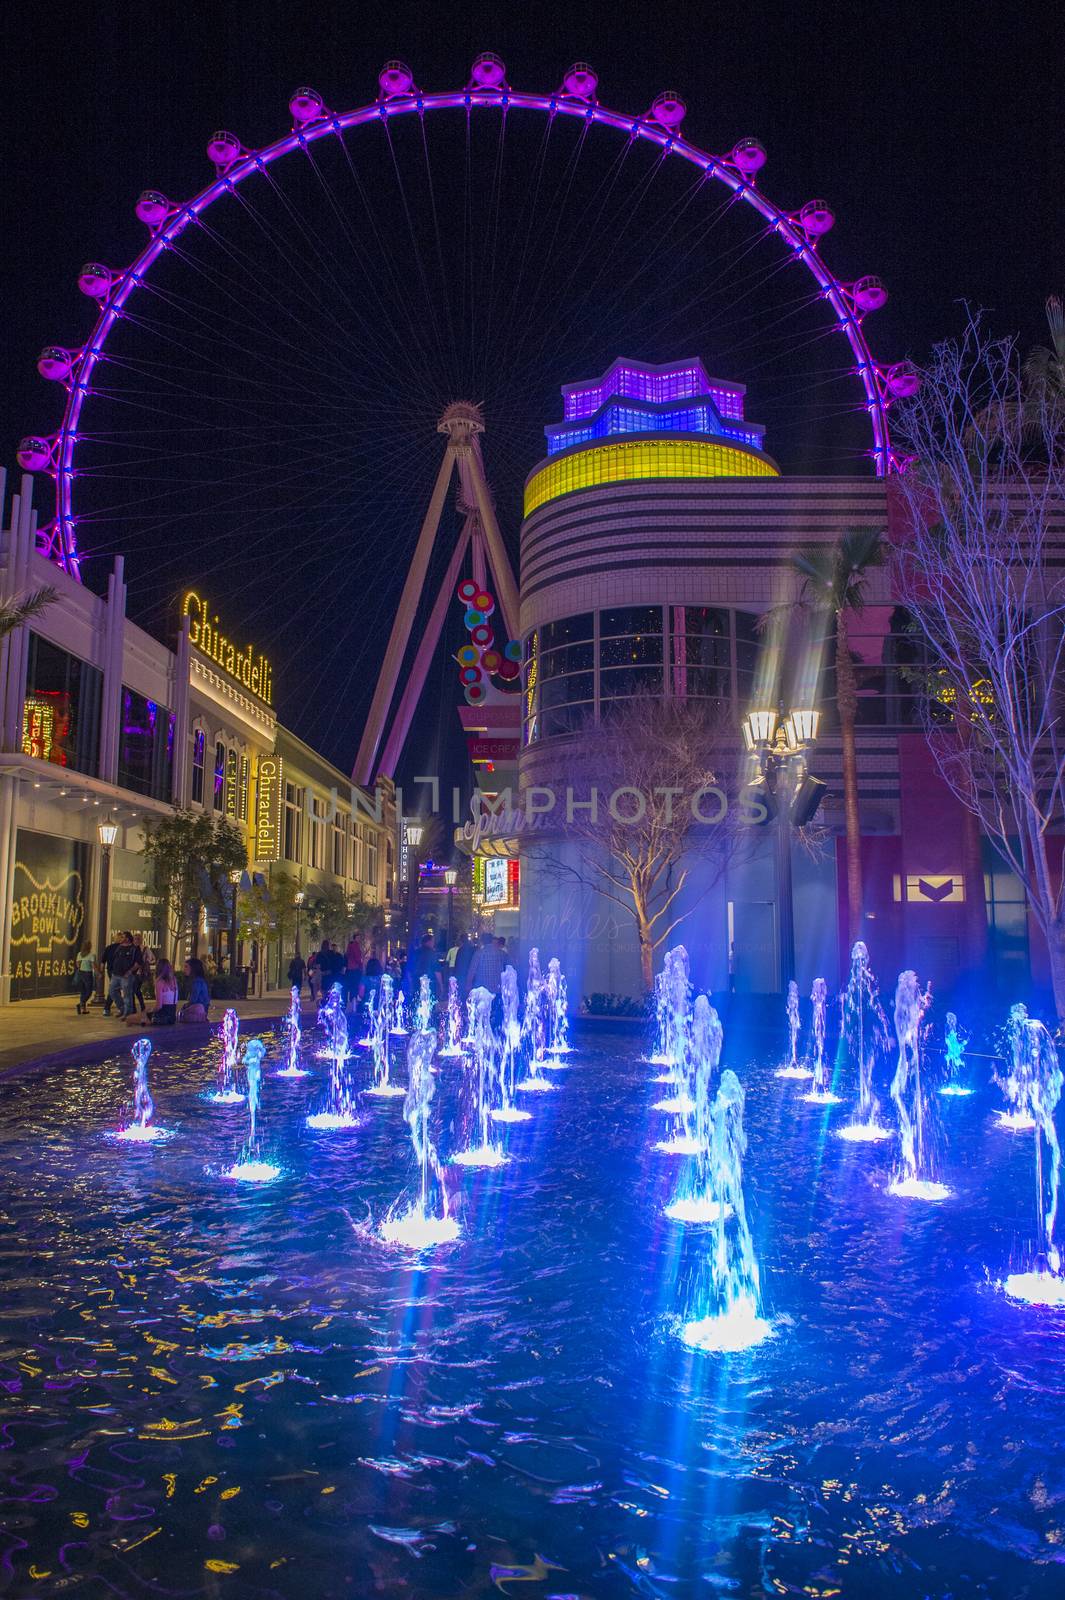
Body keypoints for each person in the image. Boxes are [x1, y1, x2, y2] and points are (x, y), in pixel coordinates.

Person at [465, 930, 504, 997]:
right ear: (491, 940)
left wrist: (468, 984)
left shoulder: (479, 953)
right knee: (495, 1006)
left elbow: (472, 970)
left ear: (482, 941)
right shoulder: (500, 953)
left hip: (482, 988)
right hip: (496, 988)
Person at [107, 932, 138, 1018]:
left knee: (127, 995)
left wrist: (129, 972)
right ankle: (122, 1008)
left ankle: (128, 1013)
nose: (121, 938)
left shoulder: (134, 949)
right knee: (112, 991)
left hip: (126, 976)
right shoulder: (119, 948)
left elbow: (138, 963)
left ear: (127, 938)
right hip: (116, 974)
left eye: (123, 937)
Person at [406, 933, 442, 1001]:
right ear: (429, 942)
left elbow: (408, 970)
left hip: (416, 982)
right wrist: (441, 985)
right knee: (429, 1003)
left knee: (416, 1002)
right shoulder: (432, 953)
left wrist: (410, 983)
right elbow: (437, 970)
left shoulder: (415, 953)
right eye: (433, 941)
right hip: (429, 983)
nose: (434, 943)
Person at [179, 957, 210, 1023]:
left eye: (186, 967)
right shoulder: (200, 980)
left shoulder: (197, 982)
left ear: (193, 968)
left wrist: (185, 1007)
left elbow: (193, 1000)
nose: (184, 969)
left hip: (198, 1011)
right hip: (202, 1010)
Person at [148, 959, 178, 1025]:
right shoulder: (174, 980)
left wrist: (151, 1010)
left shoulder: (159, 982)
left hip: (162, 1017)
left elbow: (159, 1006)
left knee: (132, 1018)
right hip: (172, 1017)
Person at [344, 931, 364, 1012]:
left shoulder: (350, 945)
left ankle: (352, 1004)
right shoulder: (355, 945)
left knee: (352, 987)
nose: (359, 939)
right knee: (355, 987)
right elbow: (357, 957)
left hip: (350, 969)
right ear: (355, 938)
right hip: (355, 969)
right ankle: (354, 1005)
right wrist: (361, 964)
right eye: (358, 937)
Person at [74, 943, 96, 1014]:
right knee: (89, 991)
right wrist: (98, 973)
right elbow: (93, 966)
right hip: (88, 974)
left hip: (80, 973)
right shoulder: (91, 955)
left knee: (83, 992)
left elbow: (77, 965)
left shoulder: (79, 954)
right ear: (89, 947)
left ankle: (83, 1009)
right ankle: (81, 1003)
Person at [129, 934, 148, 1015]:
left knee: (135, 990)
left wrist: (145, 962)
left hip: (139, 972)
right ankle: (137, 1007)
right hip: (134, 972)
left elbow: (152, 958)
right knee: (134, 990)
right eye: (135, 939)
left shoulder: (144, 948)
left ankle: (138, 1007)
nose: (136, 940)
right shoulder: (132, 948)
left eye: (138, 939)